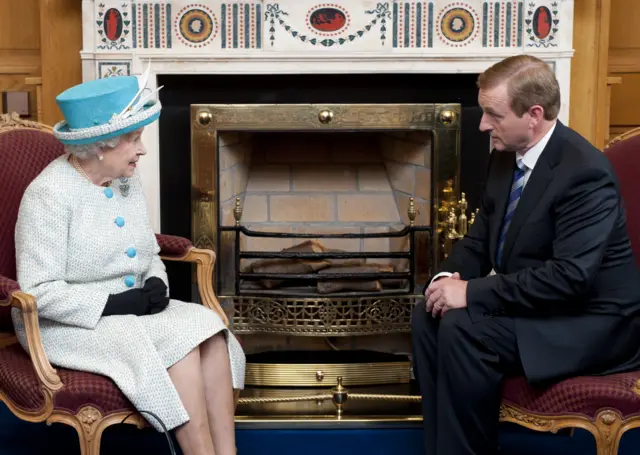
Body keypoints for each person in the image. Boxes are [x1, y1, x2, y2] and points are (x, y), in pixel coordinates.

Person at [411, 54, 640, 455]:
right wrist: (446, 280)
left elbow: (570, 277)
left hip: (590, 322)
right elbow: (480, 239)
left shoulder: (585, 174)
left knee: (465, 329)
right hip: (537, 306)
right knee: (429, 315)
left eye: (492, 114)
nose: (482, 124)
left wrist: (472, 293)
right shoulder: (506, 154)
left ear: (533, 115)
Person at [13, 71, 245, 455]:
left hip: (129, 309)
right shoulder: (48, 195)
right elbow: (38, 292)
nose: (142, 150)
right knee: (181, 343)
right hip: (64, 323)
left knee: (208, 328)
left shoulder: (124, 180)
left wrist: (155, 282)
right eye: (134, 139)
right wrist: (114, 304)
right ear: (101, 145)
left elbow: (148, 251)